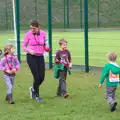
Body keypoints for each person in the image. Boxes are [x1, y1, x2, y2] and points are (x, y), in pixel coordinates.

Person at [22, 20, 50, 102]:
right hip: (31, 57)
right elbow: (24, 46)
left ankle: (33, 89)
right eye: (31, 28)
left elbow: (45, 44)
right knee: (36, 77)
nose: (32, 30)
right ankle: (37, 96)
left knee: (42, 77)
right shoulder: (28, 34)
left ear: (38, 27)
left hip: (40, 57)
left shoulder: (43, 34)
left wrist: (47, 47)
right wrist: (29, 50)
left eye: (34, 28)